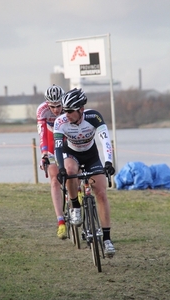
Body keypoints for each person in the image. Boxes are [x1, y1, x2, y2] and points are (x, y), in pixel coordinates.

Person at [54, 88, 115, 257]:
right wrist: (60, 169)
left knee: (101, 193)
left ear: (81, 109)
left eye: (70, 111)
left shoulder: (93, 117)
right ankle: (75, 205)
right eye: (65, 110)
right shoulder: (60, 122)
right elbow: (58, 148)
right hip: (71, 154)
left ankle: (107, 239)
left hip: (91, 155)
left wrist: (109, 161)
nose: (66, 114)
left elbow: (105, 140)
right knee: (70, 171)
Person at [36, 84, 67, 239]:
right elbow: (42, 135)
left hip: (68, 141)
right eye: (52, 106)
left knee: (73, 171)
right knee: (55, 181)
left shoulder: (69, 106)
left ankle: (79, 191)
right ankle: (61, 222)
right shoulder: (42, 110)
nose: (56, 110)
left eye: (59, 106)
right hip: (52, 144)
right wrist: (44, 155)